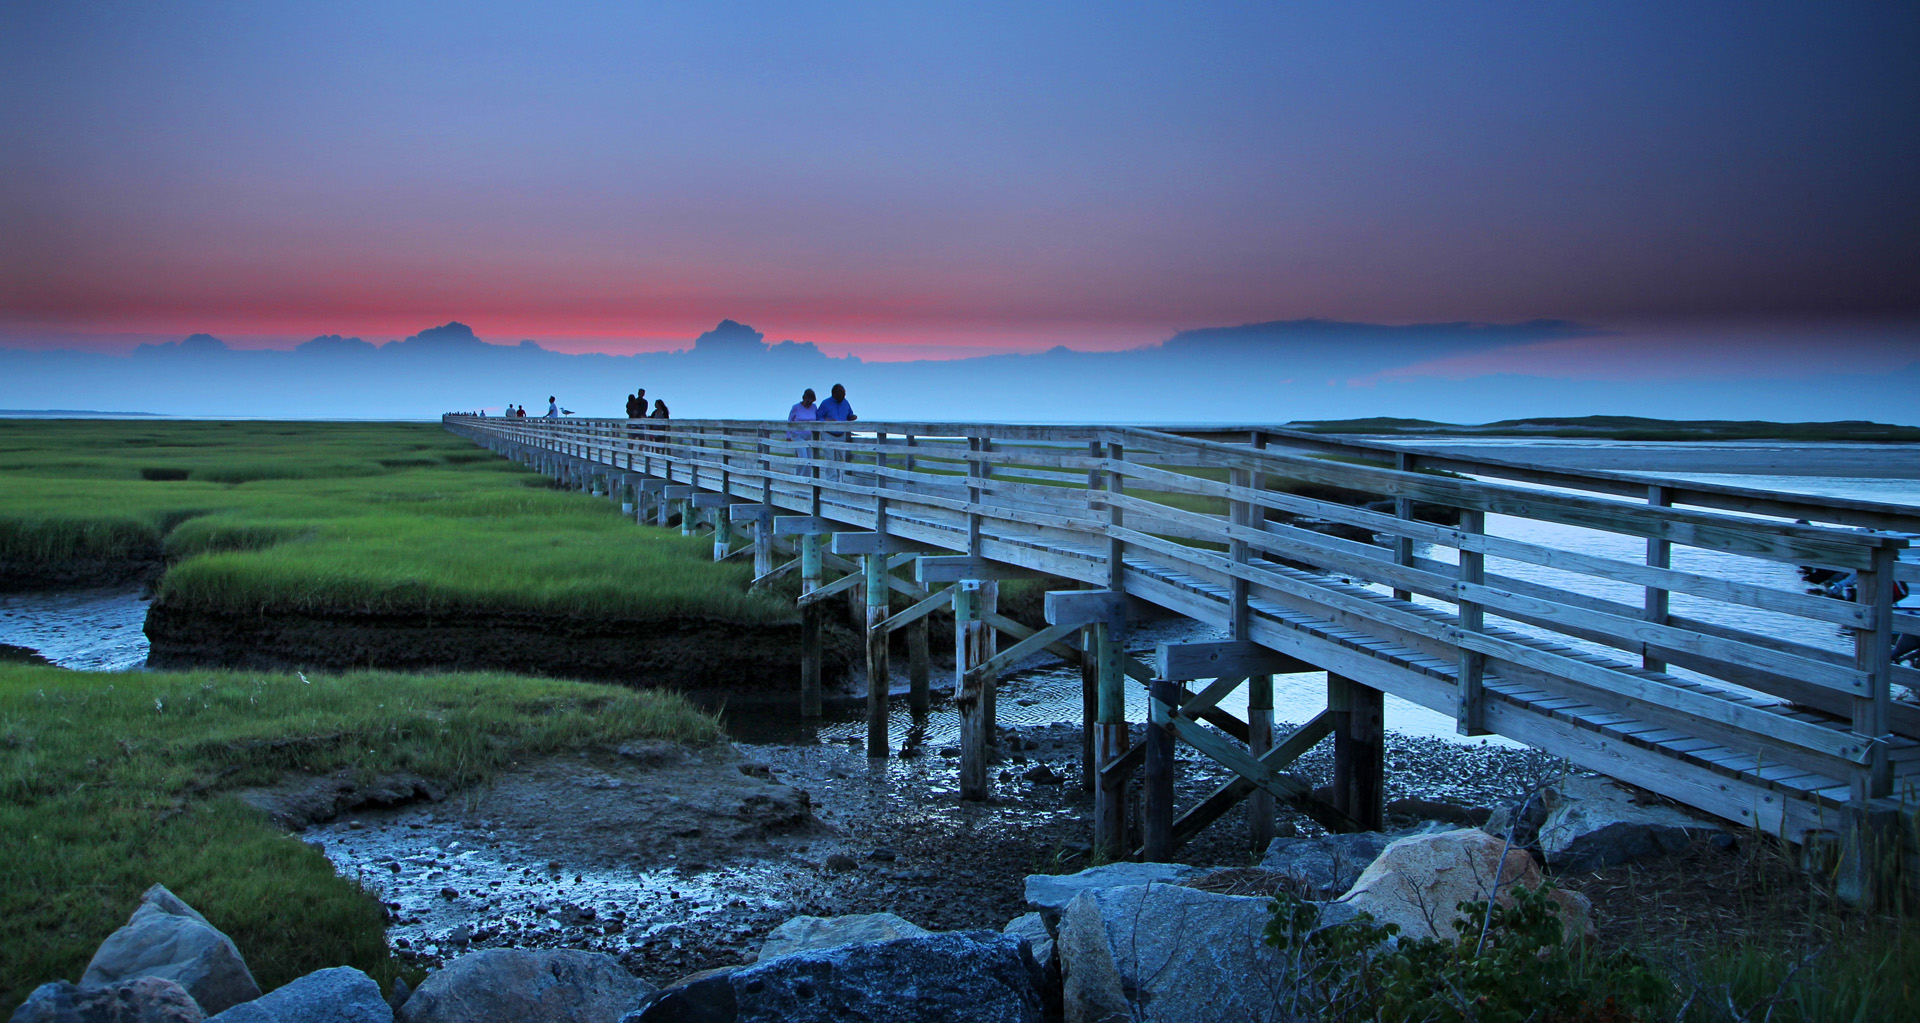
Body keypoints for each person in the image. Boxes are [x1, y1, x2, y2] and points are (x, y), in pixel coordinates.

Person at [787, 388, 819, 462]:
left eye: (811, 401)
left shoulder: (814, 407)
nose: (809, 403)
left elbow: (817, 420)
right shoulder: (796, 407)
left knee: (809, 458)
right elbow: (789, 422)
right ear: (804, 398)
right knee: (803, 457)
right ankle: (800, 474)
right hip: (798, 436)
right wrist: (788, 436)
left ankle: (806, 474)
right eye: (808, 401)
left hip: (809, 436)